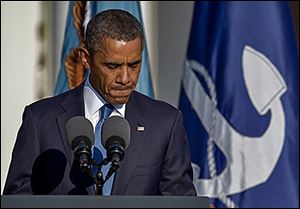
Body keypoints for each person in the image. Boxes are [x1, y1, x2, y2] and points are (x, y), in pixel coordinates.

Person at [3, 9, 196, 195]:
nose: (125, 78)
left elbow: (180, 200)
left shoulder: (165, 123)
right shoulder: (40, 120)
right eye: (113, 66)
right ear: (86, 58)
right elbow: (17, 200)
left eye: (134, 65)